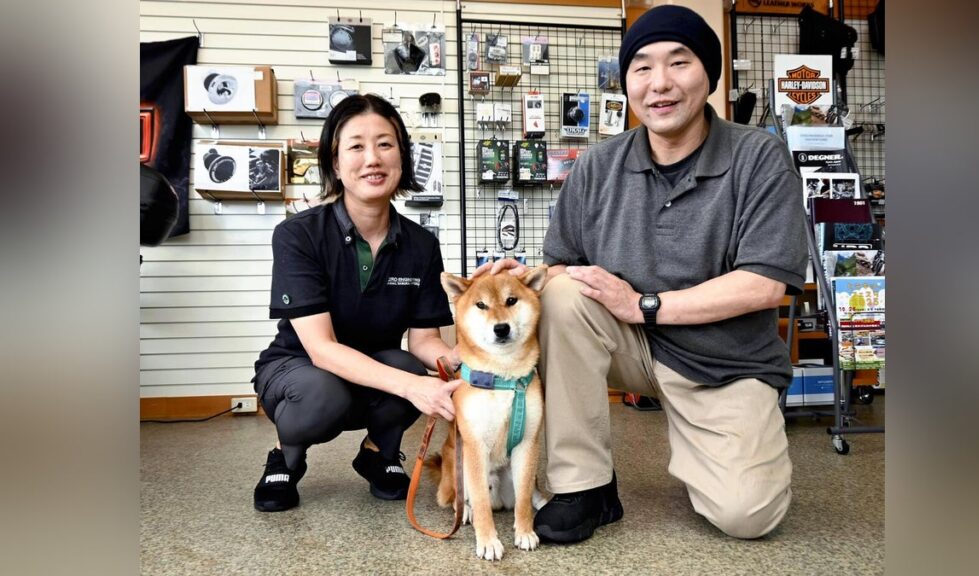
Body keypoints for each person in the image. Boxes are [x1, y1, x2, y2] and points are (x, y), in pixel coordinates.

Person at [483, 5, 807, 541]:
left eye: (679, 64)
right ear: (627, 81)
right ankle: (584, 485)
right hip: (629, 346)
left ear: (709, 75)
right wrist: (520, 279)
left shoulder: (759, 158)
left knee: (748, 517)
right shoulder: (595, 166)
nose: (660, 84)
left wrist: (644, 306)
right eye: (642, 68)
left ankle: (713, 449)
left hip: (724, 362)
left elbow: (764, 283)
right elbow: (563, 269)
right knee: (561, 293)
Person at [251, 94, 460, 512]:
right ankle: (286, 457)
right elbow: (322, 349)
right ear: (335, 160)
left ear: (402, 155)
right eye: (357, 146)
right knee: (326, 392)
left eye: (385, 144)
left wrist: (468, 360)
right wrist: (413, 386)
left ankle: (378, 454)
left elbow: (423, 342)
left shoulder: (421, 244)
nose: (373, 159)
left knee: (408, 365)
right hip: (300, 370)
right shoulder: (298, 235)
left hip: (376, 368)